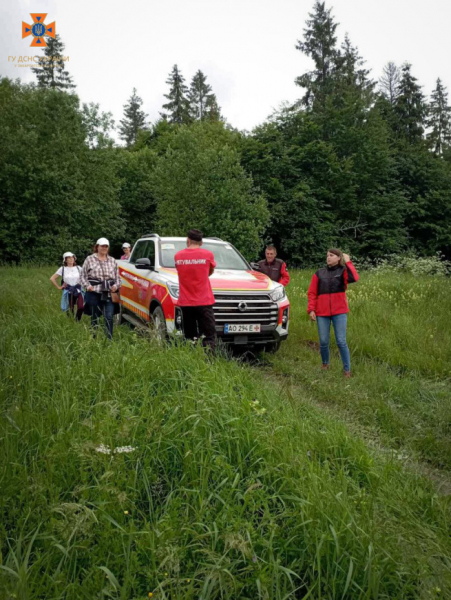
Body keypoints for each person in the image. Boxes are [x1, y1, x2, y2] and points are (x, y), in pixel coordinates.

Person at [307, 248, 359, 377]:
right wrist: (311, 309)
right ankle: (325, 364)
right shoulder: (319, 273)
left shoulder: (343, 271)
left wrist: (348, 262)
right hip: (322, 312)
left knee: (341, 341)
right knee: (323, 341)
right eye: (327, 255)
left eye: (331, 255)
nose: (328, 257)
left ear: (338, 258)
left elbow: (354, 278)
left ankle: (347, 370)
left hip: (339, 312)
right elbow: (312, 293)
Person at [175, 229, 217, 352]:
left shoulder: (178, 256)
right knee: (208, 335)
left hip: (186, 301)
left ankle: (191, 359)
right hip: (204, 300)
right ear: (201, 242)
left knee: (189, 335)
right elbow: (210, 271)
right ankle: (209, 360)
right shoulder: (208, 255)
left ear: (188, 240)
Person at [80, 238, 121, 340]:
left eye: (106, 246)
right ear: (97, 246)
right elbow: (82, 276)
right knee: (95, 317)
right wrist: (88, 286)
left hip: (109, 293)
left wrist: (116, 286)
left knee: (109, 317)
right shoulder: (89, 259)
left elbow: (118, 278)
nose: (104, 248)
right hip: (94, 292)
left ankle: (109, 340)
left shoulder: (112, 260)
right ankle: (93, 338)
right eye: (102, 246)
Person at [50, 252, 84, 321]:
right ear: (65, 260)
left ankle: (77, 320)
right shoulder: (62, 269)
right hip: (68, 290)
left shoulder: (78, 268)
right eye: (69, 258)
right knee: (70, 308)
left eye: (72, 257)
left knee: (81, 306)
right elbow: (52, 278)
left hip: (78, 289)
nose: (71, 259)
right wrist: (59, 287)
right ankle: (71, 322)